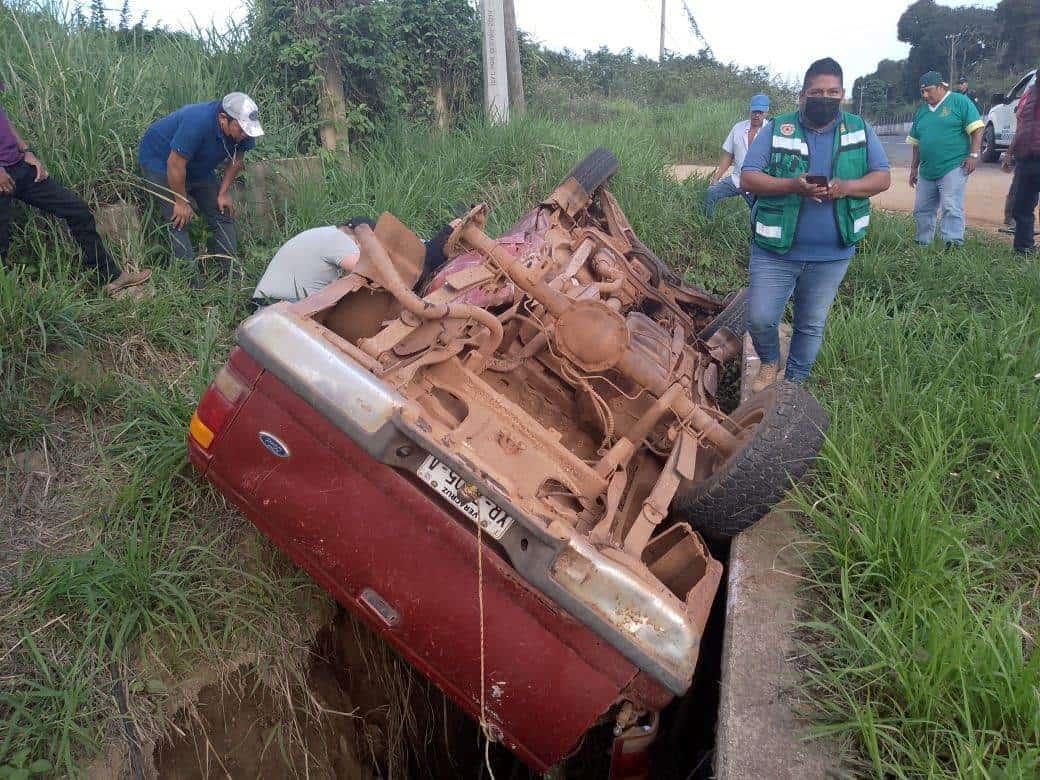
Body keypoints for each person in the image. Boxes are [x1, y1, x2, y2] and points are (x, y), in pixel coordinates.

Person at [739, 57, 891, 390]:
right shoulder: (778, 129)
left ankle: (794, 382)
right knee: (761, 318)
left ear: (842, 94)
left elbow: (882, 178)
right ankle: (768, 362)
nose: (825, 97)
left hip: (832, 254)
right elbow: (748, 178)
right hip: (774, 251)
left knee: (811, 324)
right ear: (803, 94)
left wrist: (846, 187)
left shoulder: (859, 129)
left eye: (832, 92)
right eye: (817, 91)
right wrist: (794, 185)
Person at [0, 80, 149, 295]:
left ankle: (110, 277)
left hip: (20, 167)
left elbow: (5, 121)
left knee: (77, 210)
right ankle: (10, 308)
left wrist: (26, 150)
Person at [139, 93, 262, 284]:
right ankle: (192, 287)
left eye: (248, 131)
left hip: (197, 165)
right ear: (223, 118)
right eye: (241, 130)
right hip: (162, 161)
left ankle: (231, 277)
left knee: (222, 211)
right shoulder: (197, 121)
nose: (245, 135)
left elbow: (237, 160)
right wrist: (180, 200)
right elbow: (175, 164)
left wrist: (223, 193)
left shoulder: (243, 129)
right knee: (178, 219)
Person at [251, 218, 457, 306]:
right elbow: (370, 270)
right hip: (277, 307)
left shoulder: (323, 235)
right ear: (359, 236)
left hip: (271, 305)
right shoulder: (339, 239)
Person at [907, 71, 984, 248]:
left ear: (941, 87)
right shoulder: (922, 111)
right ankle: (922, 243)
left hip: (953, 166)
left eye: (929, 90)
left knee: (951, 207)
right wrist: (913, 168)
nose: (925, 95)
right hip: (926, 170)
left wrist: (973, 154)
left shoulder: (959, 101)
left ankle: (952, 245)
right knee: (921, 209)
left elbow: (977, 129)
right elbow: (916, 142)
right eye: (922, 92)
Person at [703, 94, 769, 218]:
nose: (756, 115)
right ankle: (708, 225)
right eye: (754, 111)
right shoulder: (738, 128)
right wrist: (716, 177)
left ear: (766, 112)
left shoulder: (771, 130)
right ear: (750, 109)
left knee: (759, 215)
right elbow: (728, 155)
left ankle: (755, 235)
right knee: (711, 193)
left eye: (760, 112)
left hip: (758, 183)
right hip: (737, 179)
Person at [1002, 72, 1039, 255]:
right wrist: (1009, 153)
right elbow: (1021, 127)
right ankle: (1023, 249)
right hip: (1026, 159)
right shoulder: (1028, 94)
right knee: (1021, 206)